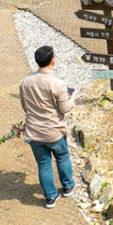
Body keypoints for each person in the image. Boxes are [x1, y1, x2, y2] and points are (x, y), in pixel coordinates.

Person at [19, 45, 76, 209]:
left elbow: (24, 106)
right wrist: (72, 99)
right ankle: (67, 187)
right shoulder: (58, 84)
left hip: (34, 132)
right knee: (62, 157)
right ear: (53, 61)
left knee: (43, 164)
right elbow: (64, 108)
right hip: (54, 132)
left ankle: (50, 197)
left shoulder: (25, 81)